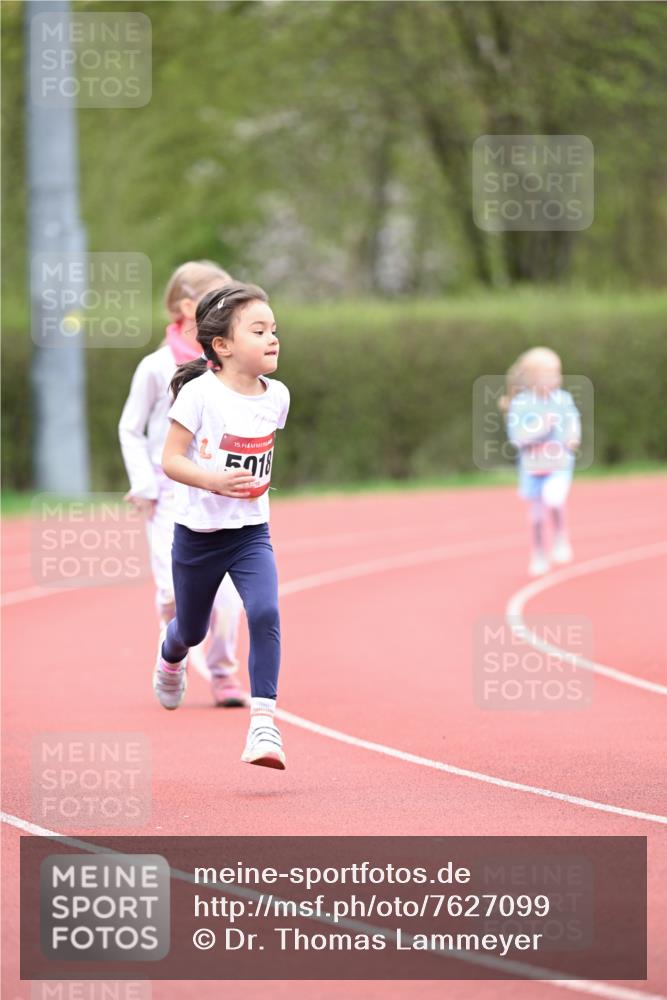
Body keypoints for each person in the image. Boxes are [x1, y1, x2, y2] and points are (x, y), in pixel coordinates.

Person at [157, 281, 290, 770]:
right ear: (223, 345)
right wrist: (214, 480)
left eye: (275, 329)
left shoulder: (277, 396)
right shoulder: (197, 394)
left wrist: (250, 482)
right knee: (192, 630)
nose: (273, 338)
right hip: (197, 535)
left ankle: (263, 724)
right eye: (259, 330)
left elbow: (259, 454)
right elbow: (171, 460)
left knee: (265, 612)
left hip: (251, 533)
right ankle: (170, 654)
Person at [118, 260, 247, 707]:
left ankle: (223, 673)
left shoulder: (226, 364)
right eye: (221, 302)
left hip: (217, 494)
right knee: (176, 592)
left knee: (228, 597)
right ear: (189, 307)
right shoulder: (155, 367)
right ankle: (170, 654)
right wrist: (143, 483)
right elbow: (131, 428)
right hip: (169, 495)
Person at [501, 347, 581, 577]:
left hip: (559, 464)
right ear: (532, 379)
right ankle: (538, 553)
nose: (554, 380)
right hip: (533, 467)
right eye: (548, 375)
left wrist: (573, 436)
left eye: (556, 374)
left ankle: (559, 536)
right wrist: (541, 428)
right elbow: (517, 438)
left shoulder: (563, 399)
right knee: (536, 515)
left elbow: (572, 422)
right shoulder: (522, 404)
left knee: (554, 498)